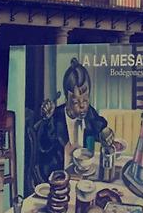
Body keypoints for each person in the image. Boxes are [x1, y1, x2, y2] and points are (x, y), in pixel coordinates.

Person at [27, 58, 114, 187]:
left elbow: (97, 123)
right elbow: (45, 143)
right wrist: (47, 119)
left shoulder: (88, 112)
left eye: (85, 100)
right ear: (66, 100)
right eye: (76, 102)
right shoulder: (55, 118)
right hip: (58, 179)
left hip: (82, 177)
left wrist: (104, 131)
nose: (82, 106)